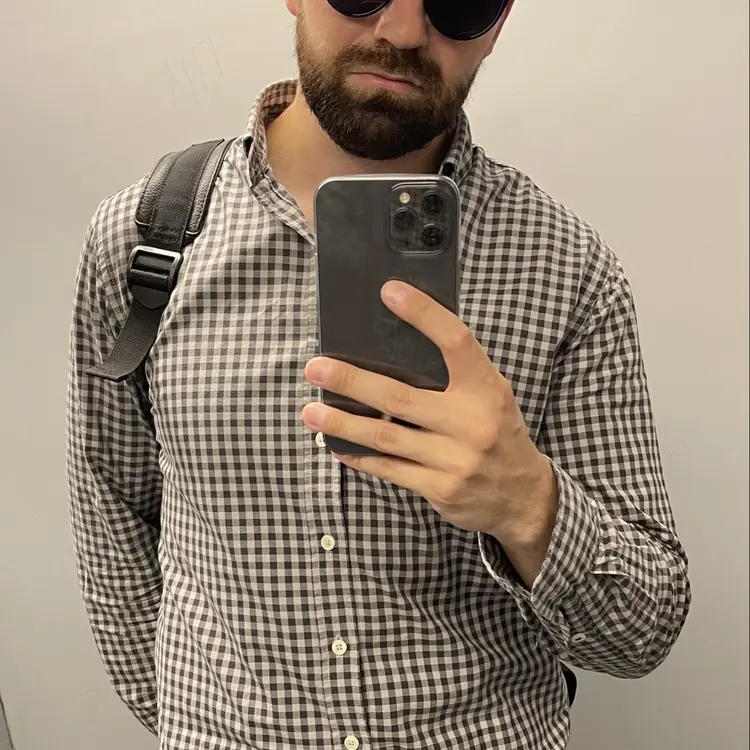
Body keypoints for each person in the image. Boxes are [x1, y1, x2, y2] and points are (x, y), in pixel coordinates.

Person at [65, 1, 692, 748]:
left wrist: (529, 506)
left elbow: (641, 633)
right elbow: (111, 512)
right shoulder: (141, 243)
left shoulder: (567, 269)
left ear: (499, 22)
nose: (401, 31)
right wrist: (189, 721)